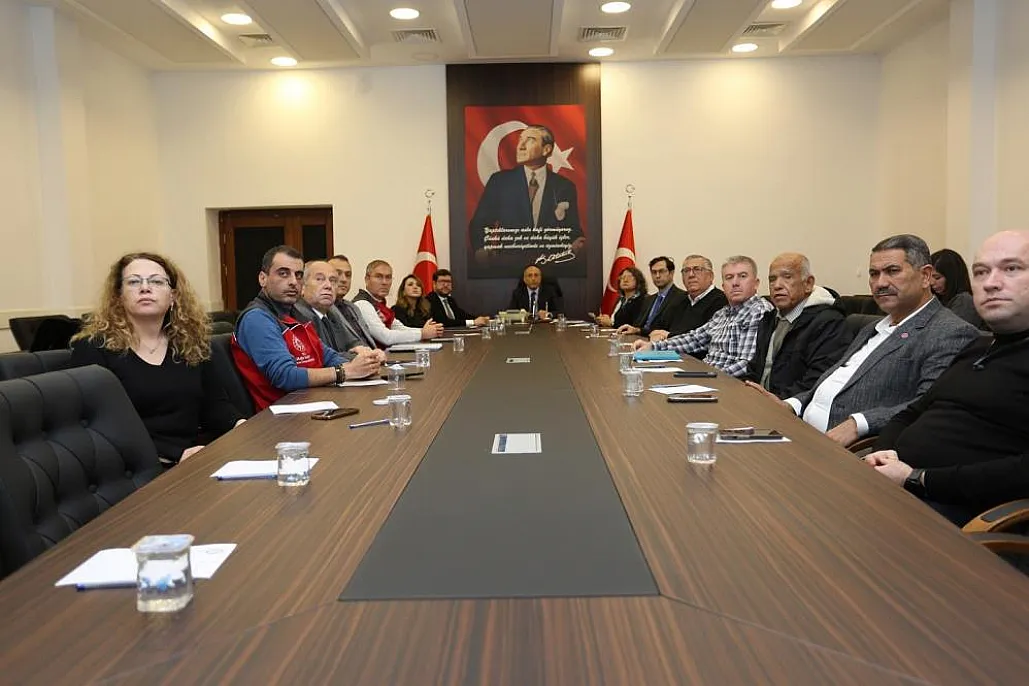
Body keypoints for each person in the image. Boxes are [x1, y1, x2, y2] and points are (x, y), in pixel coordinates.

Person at [748, 235, 979, 446]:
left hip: (850, 451)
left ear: (925, 276)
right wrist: (791, 404)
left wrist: (859, 423)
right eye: (874, 274)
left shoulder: (949, 331)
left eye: (892, 271)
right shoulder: (872, 327)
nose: (880, 283)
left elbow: (929, 404)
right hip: (798, 429)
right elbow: (834, 383)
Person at [864, 231, 1029, 525]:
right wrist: (882, 454)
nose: (990, 283)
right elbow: (913, 412)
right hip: (890, 486)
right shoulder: (978, 346)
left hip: (953, 517)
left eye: (1012, 268)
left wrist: (917, 478)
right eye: (981, 272)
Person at [71, 252, 244, 468]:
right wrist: (174, 454)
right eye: (134, 282)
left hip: (191, 460)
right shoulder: (93, 348)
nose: (145, 288)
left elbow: (214, 405)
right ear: (118, 296)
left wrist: (241, 426)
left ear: (173, 296)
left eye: (156, 281)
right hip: (130, 468)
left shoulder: (191, 345)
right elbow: (102, 426)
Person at [231, 246, 380, 411]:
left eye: (298, 275)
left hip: (314, 402)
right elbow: (285, 376)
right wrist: (344, 372)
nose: (293, 282)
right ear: (263, 279)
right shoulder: (256, 318)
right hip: (283, 415)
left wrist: (365, 365)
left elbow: (327, 356)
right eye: (283, 273)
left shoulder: (294, 315)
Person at [469, 125, 583, 272]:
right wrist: (480, 251)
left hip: (551, 268)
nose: (520, 146)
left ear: (546, 149)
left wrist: (578, 244)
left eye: (529, 140)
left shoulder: (564, 186)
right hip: (508, 269)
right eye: (520, 140)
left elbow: (572, 229)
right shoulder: (500, 182)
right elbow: (479, 223)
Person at [634, 256, 773, 377]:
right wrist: (653, 347)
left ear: (756, 283)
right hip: (707, 374)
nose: (735, 283)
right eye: (729, 278)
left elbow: (747, 364)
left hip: (727, 383)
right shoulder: (723, 313)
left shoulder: (759, 311)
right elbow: (694, 339)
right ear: (723, 286)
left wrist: (706, 375)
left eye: (742, 276)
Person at [742, 253, 851, 398]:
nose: (777, 286)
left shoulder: (829, 323)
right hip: (758, 401)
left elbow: (818, 381)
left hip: (791, 407)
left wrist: (778, 402)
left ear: (808, 284)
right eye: (772, 279)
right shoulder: (769, 319)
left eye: (787, 277)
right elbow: (754, 370)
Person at [294, 260, 382, 360]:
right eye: (319, 279)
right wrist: (360, 356)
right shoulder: (298, 315)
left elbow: (352, 342)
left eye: (333, 281)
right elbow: (321, 357)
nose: (328, 286)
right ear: (303, 286)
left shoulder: (332, 313)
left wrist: (368, 352)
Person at [353, 260, 444, 347]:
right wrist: (422, 333)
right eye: (379, 277)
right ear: (367, 279)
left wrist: (430, 330)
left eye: (388, 277)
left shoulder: (379, 303)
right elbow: (385, 337)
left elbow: (400, 328)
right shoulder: (362, 304)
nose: (384, 282)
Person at [651, 254, 728, 341]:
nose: (691, 275)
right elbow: (657, 327)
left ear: (711, 276)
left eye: (697, 269)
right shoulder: (679, 300)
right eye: (686, 271)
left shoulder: (721, 301)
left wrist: (669, 336)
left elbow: (705, 339)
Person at [616, 257, 688, 338]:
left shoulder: (682, 298)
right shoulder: (648, 299)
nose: (657, 276)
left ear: (671, 273)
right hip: (638, 339)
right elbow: (639, 325)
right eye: (654, 272)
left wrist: (640, 331)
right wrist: (634, 329)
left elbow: (670, 330)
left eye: (661, 271)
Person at [327, 254, 377, 349]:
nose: (344, 279)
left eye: (348, 275)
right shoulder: (323, 310)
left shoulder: (353, 308)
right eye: (338, 273)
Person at [930, 248, 985, 329]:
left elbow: (950, 331)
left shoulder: (964, 301)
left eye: (937, 278)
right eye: (929, 277)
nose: (931, 282)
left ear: (952, 277)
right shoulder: (938, 299)